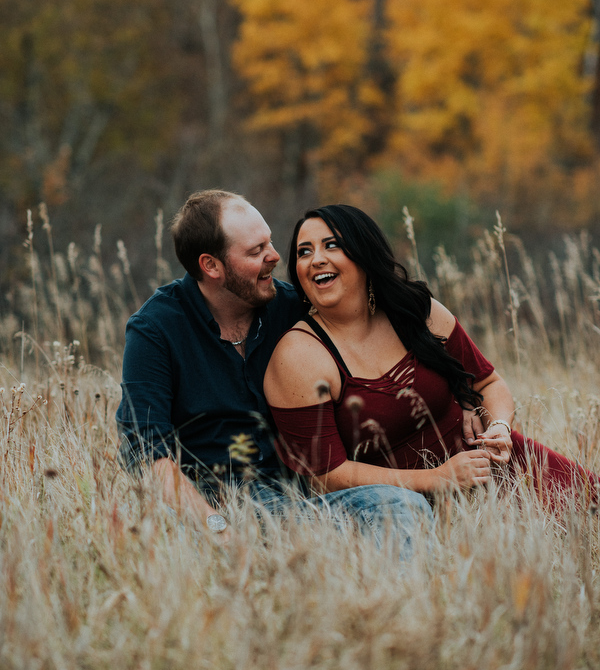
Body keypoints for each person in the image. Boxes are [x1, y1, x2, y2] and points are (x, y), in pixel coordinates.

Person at [116, 190, 433, 551]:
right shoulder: (155, 329)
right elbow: (146, 452)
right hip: (210, 509)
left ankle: (392, 603)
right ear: (211, 266)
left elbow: (375, 344)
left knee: (402, 505)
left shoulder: (292, 308)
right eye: (256, 251)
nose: (276, 256)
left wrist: (467, 398)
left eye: (269, 241)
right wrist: (218, 531)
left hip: (302, 502)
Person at [264, 204, 599, 507]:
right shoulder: (299, 355)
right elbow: (324, 476)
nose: (315, 259)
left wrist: (498, 426)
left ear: (364, 254)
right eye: (304, 252)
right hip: (409, 505)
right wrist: (437, 478)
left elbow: (489, 382)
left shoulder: (415, 312)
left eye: (331, 244)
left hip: (501, 468)